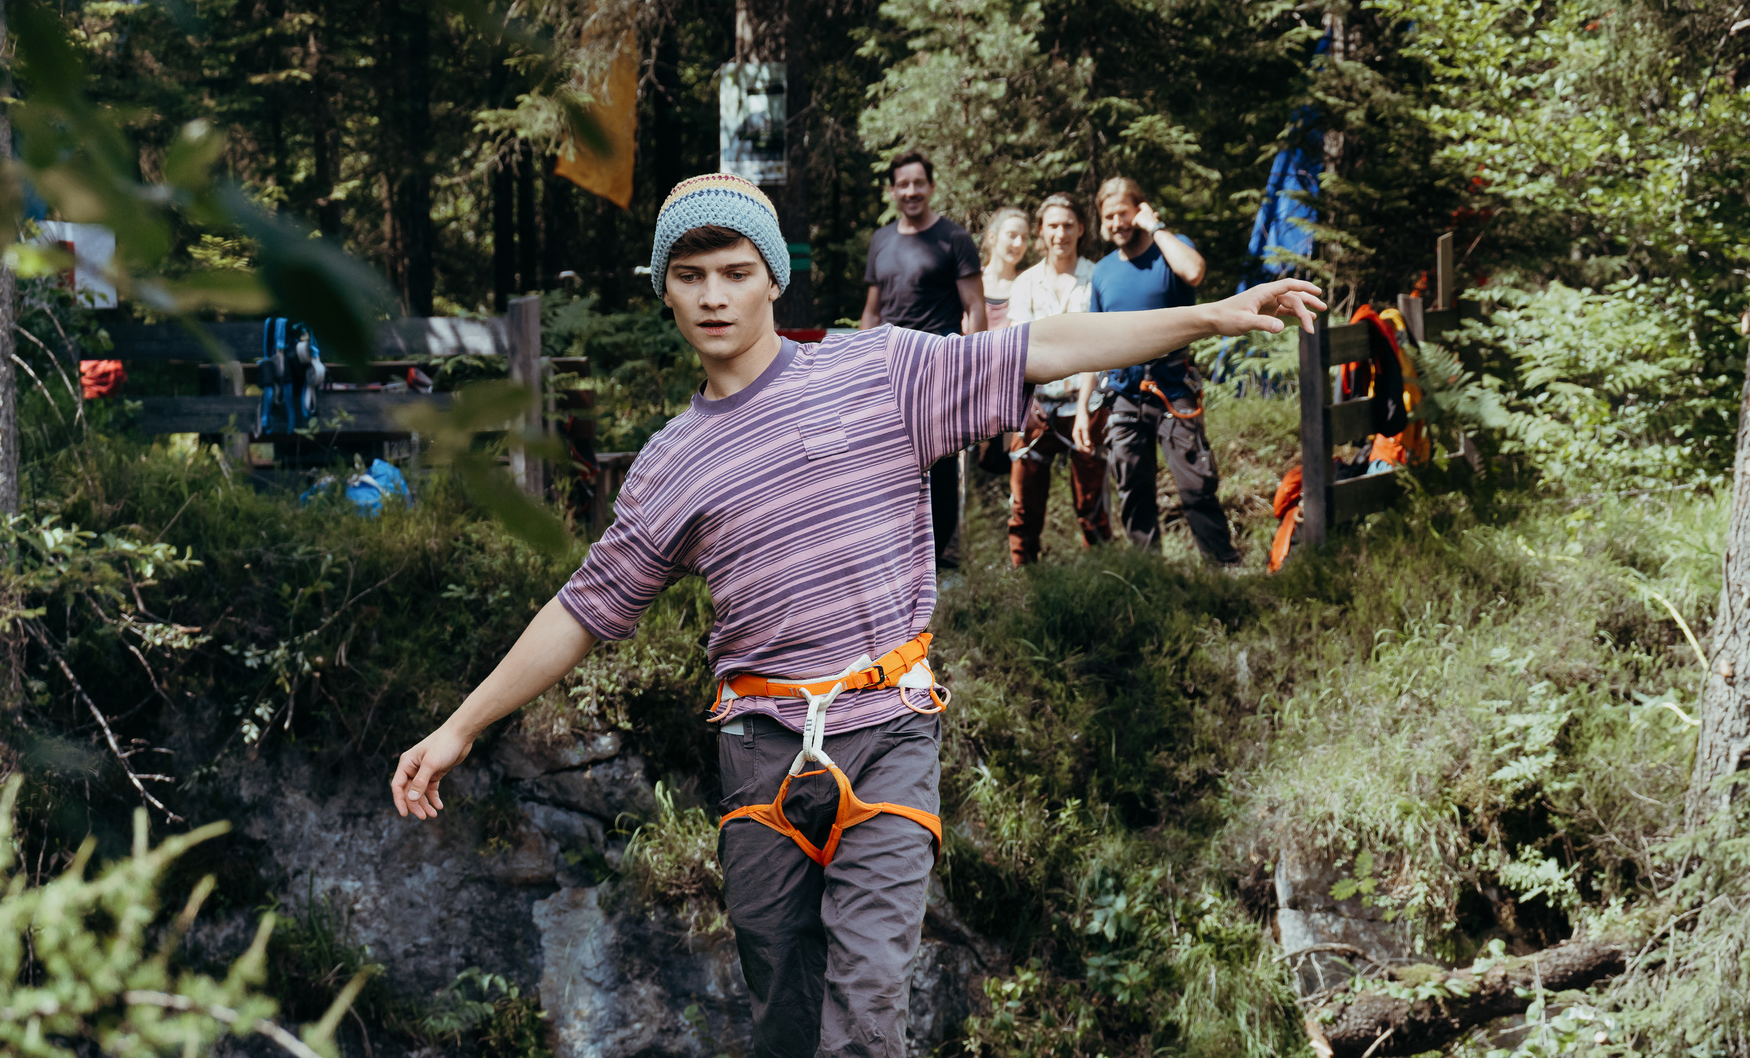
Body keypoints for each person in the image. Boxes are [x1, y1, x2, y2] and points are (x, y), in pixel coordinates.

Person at [389, 170, 1323, 1058]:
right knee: (784, 1016)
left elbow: (1039, 349)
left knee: (868, 1011)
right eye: (691, 276)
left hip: (888, 734)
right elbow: (584, 609)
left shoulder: (881, 372)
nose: (714, 295)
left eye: (734, 273)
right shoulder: (670, 465)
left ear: (771, 282)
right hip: (758, 749)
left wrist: (1209, 313)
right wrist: (461, 727)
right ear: (666, 296)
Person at [1091, 176, 1243, 564]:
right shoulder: (1103, 272)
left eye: (1123, 213)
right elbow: (1092, 339)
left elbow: (1194, 273)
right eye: (1108, 217)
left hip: (1173, 388)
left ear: (1140, 210)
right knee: (1133, 490)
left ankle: (1223, 567)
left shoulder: (1171, 249)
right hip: (1124, 394)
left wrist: (1155, 227)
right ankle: (1148, 573)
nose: (1116, 223)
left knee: (1195, 484)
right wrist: (1082, 406)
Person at [861, 152, 983, 570]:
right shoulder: (881, 240)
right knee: (889, 463)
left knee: (941, 465)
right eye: (903, 184)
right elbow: (873, 311)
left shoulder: (954, 238)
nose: (911, 191)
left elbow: (975, 307)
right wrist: (861, 365)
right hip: (889, 371)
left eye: (918, 183)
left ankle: (936, 560)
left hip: (940, 370)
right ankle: (895, 559)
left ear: (931, 186)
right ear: (892, 191)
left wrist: (972, 367)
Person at [1005, 193, 1112, 566]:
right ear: (1041, 231)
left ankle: (1101, 575)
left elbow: (1100, 346)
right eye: (1052, 225)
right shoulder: (1026, 283)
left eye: (1068, 225)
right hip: (1033, 405)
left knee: (1092, 502)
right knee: (1024, 503)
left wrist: (1083, 407)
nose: (1060, 233)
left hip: (1085, 402)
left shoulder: (1097, 275)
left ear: (1081, 229)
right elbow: (1017, 348)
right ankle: (1023, 581)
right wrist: (1023, 403)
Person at [980, 206, 1031, 331]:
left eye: (1024, 238)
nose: (1019, 243)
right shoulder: (971, 280)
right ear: (992, 237)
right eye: (1012, 235)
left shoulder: (1028, 283)